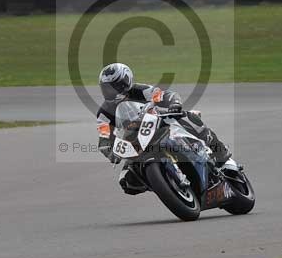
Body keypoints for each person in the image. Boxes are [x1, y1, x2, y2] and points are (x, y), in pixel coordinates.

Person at [96, 63, 232, 194]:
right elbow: (103, 137)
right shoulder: (104, 112)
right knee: (127, 182)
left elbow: (164, 95)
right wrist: (110, 152)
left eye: (113, 86)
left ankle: (219, 151)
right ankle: (164, 183)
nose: (110, 91)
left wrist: (174, 104)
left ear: (125, 81)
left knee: (187, 116)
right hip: (134, 141)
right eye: (106, 88)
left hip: (156, 123)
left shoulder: (140, 90)